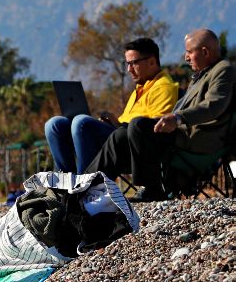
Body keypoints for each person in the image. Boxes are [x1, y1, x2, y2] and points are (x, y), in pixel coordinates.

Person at [88, 29, 234, 201]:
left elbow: (214, 105)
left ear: (205, 52)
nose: (186, 58)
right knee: (120, 135)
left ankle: (151, 189)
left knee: (138, 125)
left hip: (195, 138)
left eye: (189, 52)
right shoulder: (202, 75)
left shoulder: (223, 70)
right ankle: (88, 188)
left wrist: (177, 118)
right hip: (180, 134)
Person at [46, 38, 178, 174]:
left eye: (133, 63)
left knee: (81, 123)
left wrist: (118, 126)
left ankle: (84, 184)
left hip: (133, 148)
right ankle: (64, 184)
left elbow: (153, 128)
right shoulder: (140, 87)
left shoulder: (163, 87)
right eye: (127, 64)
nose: (129, 69)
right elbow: (128, 122)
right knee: (55, 124)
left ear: (151, 62)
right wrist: (115, 122)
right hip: (118, 137)